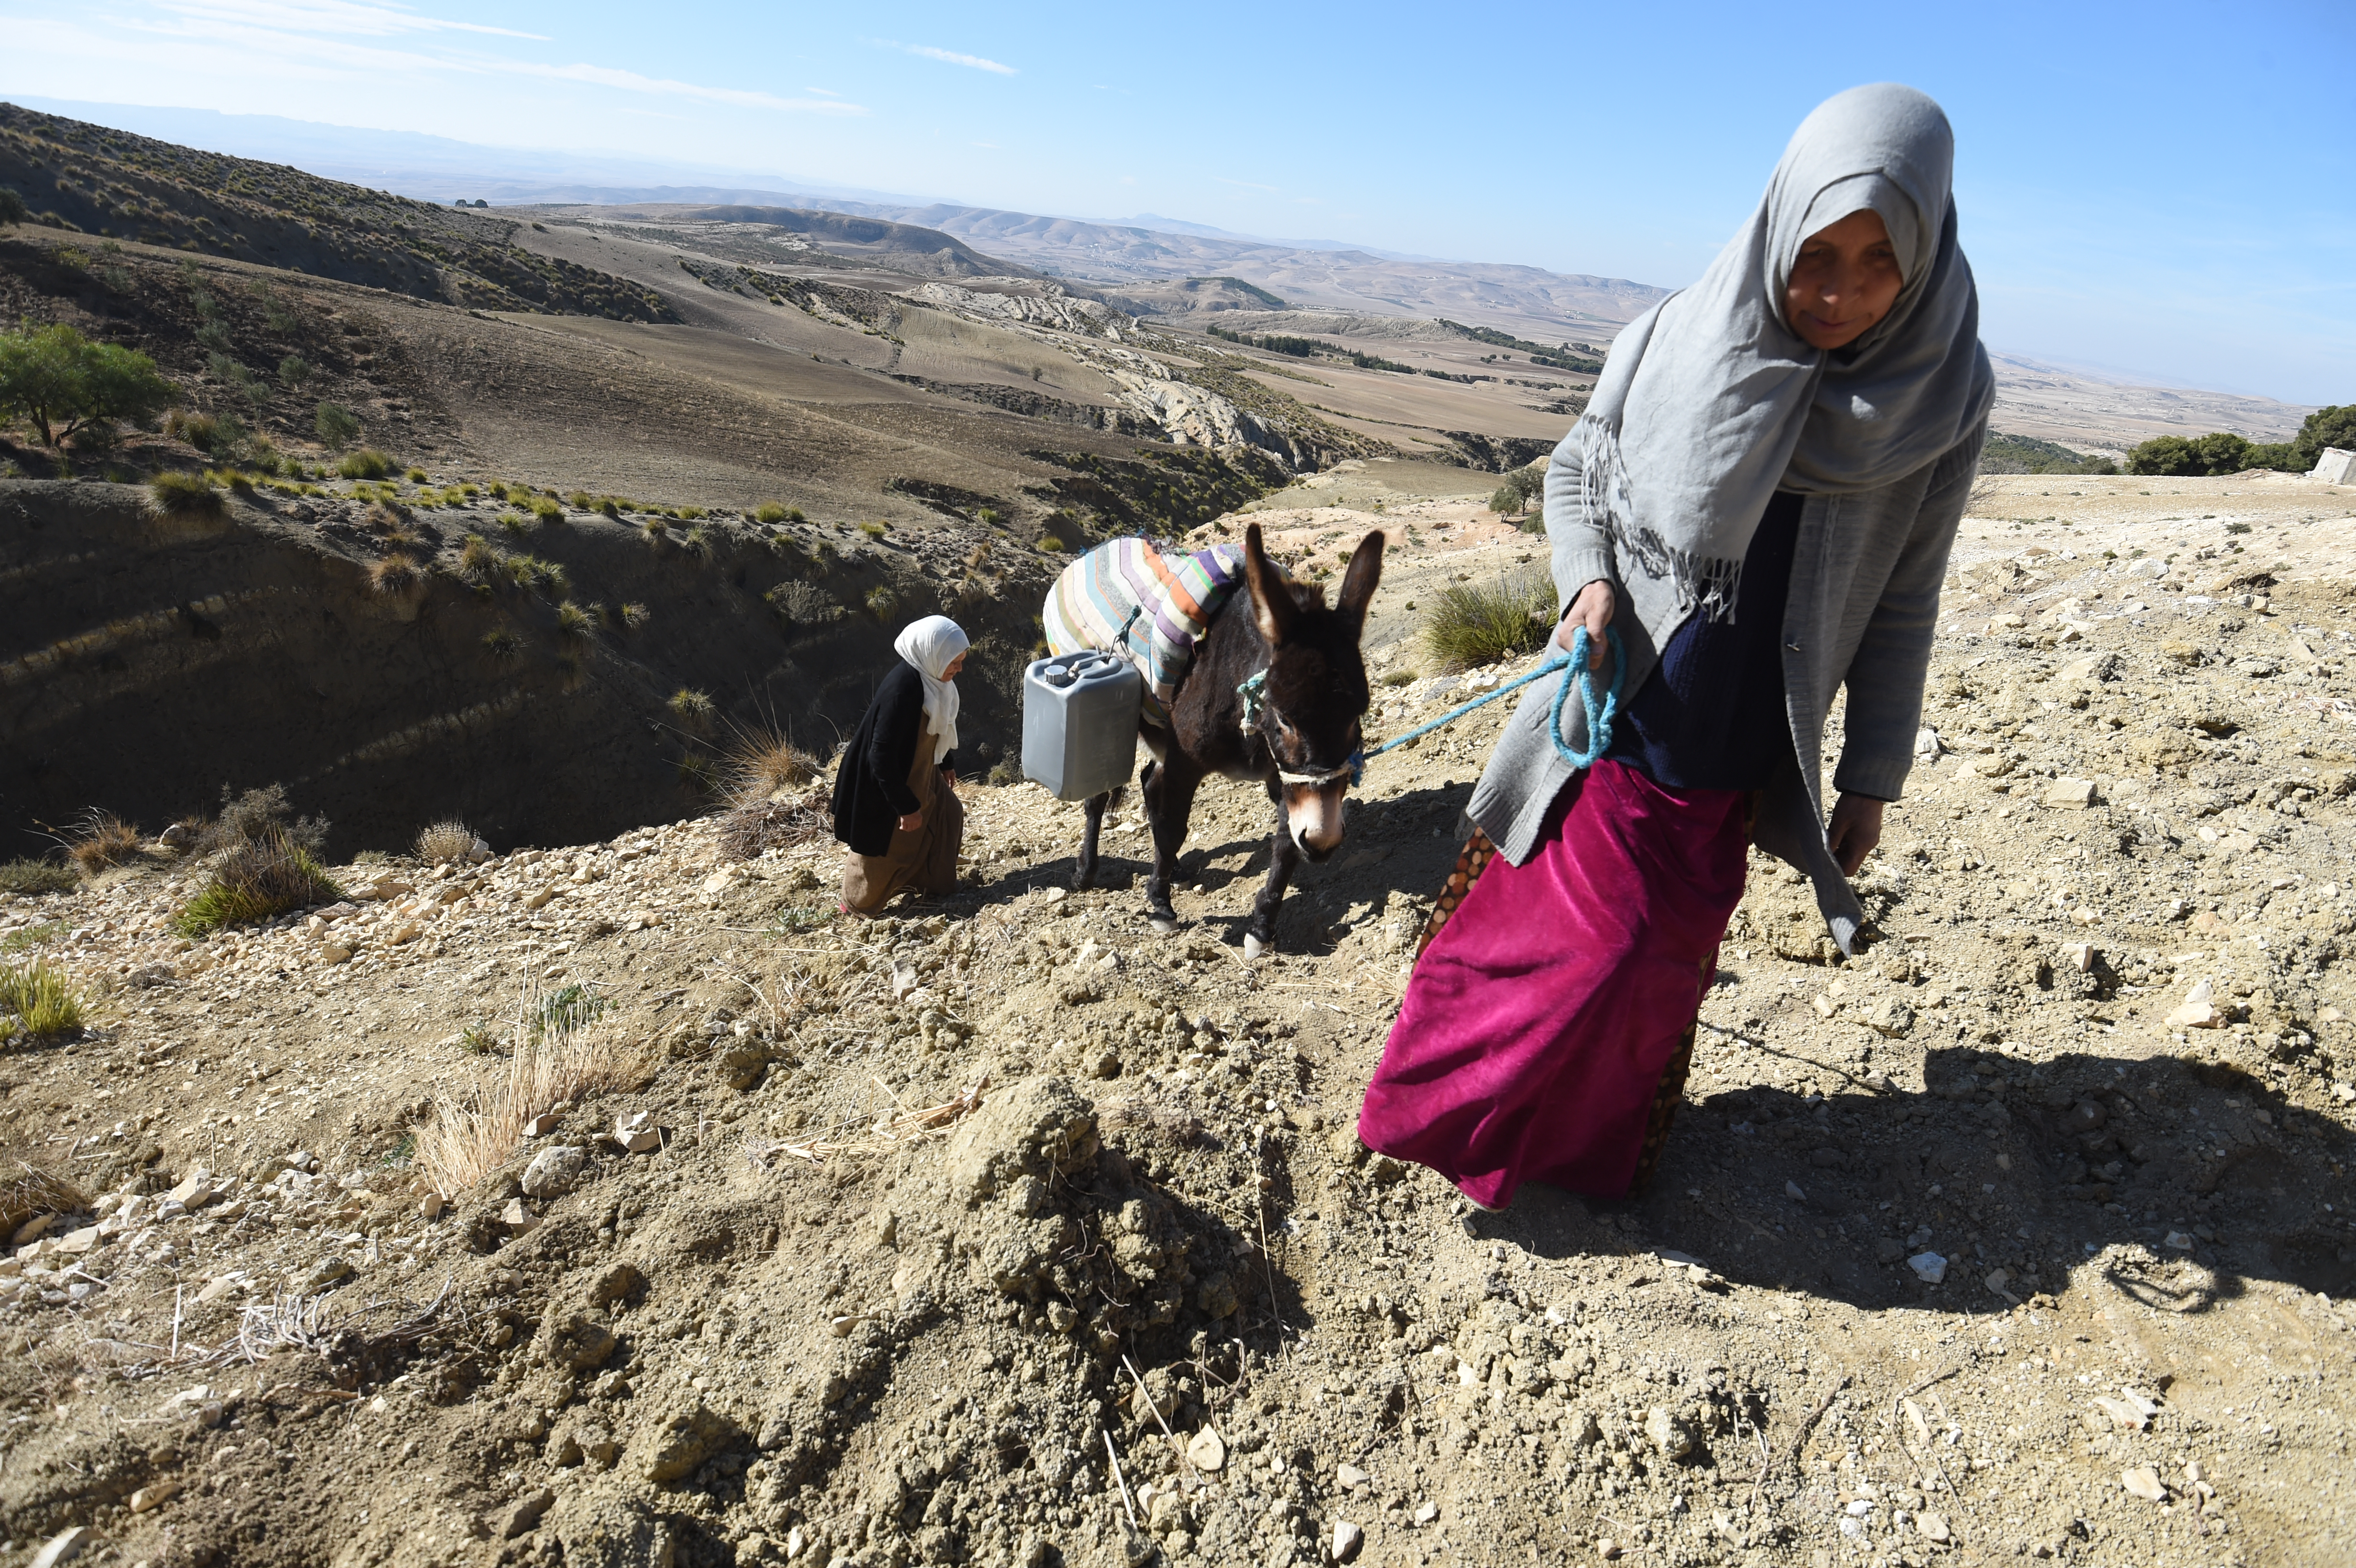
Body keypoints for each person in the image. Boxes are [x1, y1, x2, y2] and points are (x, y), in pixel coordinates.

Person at [1359, 83, 1993, 1210]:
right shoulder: (1675, 335)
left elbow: (1906, 598)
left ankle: (1582, 1159)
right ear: (1776, 224)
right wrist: (1589, 579)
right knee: (1559, 961)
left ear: (1930, 253)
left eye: (1879, 262)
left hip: (1741, 753)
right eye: (1816, 253)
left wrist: (1872, 777)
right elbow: (1572, 475)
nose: (1838, 291)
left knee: (1658, 977)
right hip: (1617, 723)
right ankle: (1440, 1128)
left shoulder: (1943, 397)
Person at [832, 615, 970, 915]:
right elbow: (879, 756)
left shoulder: (935, 682)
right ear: (934, 655)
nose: (959, 668)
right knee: (888, 845)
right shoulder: (903, 691)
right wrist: (904, 806)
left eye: (961, 660)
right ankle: (857, 903)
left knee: (948, 815)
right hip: (888, 781)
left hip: (921, 771)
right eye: (954, 661)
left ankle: (936, 883)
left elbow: (939, 726)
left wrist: (946, 763)